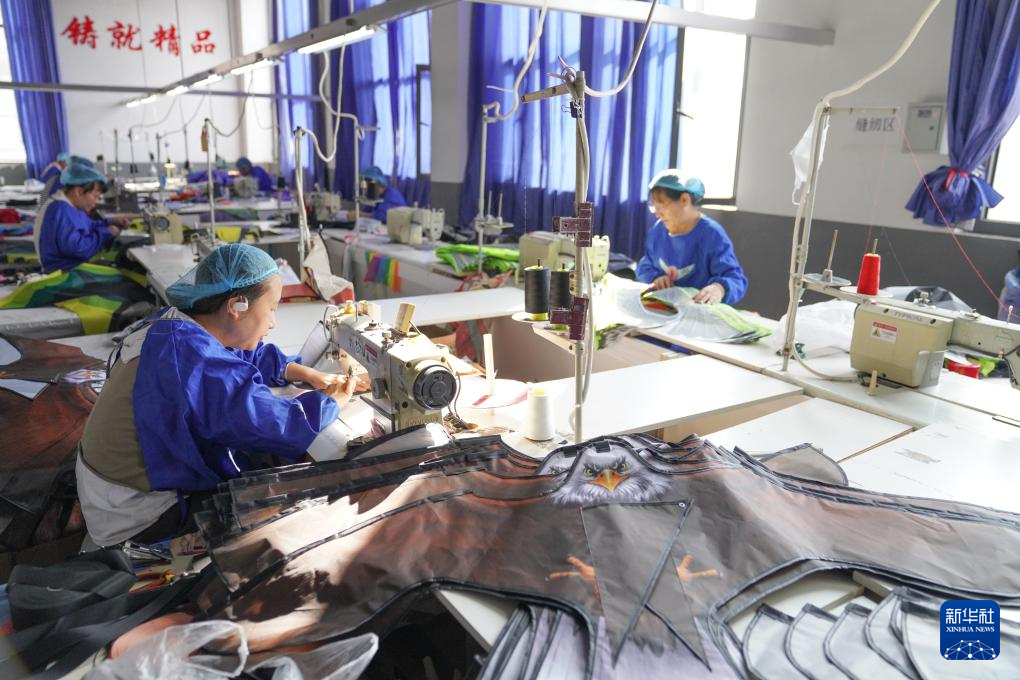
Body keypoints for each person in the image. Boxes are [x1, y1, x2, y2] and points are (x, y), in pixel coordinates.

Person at [75, 244, 358, 546]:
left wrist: (303, 372)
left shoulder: (176, 325)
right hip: (138, 514)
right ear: (236, 306)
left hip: (107, 492)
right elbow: (276, 426)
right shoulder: (190, 355)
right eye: (273, 308)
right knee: (295, 505)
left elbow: (236, 353)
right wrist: (331, 402)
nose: (273, 322)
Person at [636, 169, 747, 305]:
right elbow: (645, 265)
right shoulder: (658, 230)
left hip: (699, 310)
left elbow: (736, 279)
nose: (658, 214)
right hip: (664, 307)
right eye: (654, 207)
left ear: (684, 200)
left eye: (662, 206)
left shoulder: (711, 235)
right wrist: (656, 278)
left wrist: (720, 288)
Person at [35, 159, 129, 273]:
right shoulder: (60, 209)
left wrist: (110, 221)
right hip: (62, 273)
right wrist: (106, 232)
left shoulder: (71, 206)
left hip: (70, 266)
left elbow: (88, 226)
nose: (96, 201)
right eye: (95, 196)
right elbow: (77, 249)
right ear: (79, 192)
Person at [337, 165, 407, 224]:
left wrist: (358, 214)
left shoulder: (392, 195)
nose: (366, 190)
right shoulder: (375, 196)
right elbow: (366, 211)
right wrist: (355, 214)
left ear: (377, 184)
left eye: (368, 187)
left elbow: (381, 217)